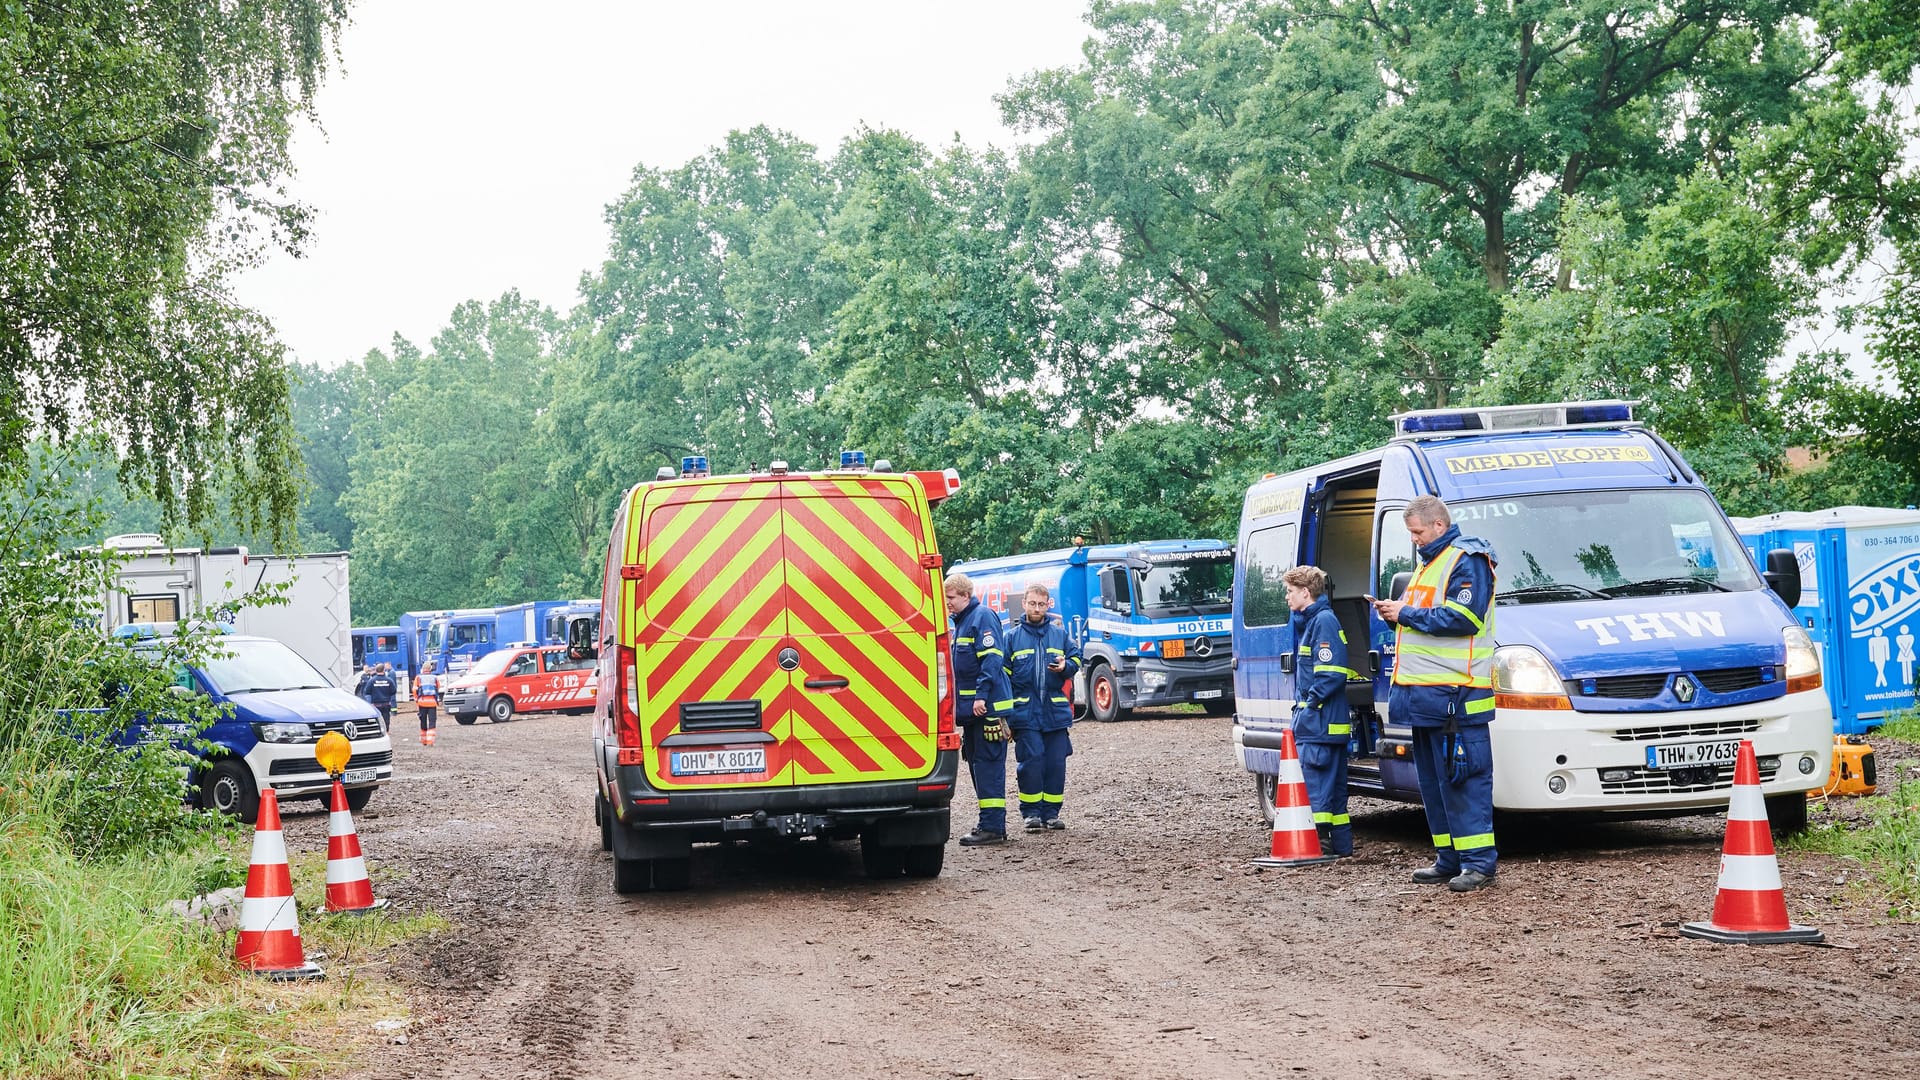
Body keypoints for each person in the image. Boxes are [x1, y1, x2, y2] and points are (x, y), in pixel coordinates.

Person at [1371, 495, 1498, 892]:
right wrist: (1395, 614)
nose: (1414, 540)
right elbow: (1425, 624)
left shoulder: (1467, 559)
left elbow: (1464, 618)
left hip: (1456, 698)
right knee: (1434, 784)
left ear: (1438, 526)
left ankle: (1479, 864)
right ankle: (1449, 859)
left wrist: (1404, 613)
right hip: (1426, 698)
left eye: (1418, 532)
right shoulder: (1428, 565)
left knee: (1464, 781)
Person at [1283, 565, 1356, 857]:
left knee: (1317, 788)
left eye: (1290, 592)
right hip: (1323, 723)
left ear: (1305, 592)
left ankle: (1321, 845)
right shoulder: (1315, 621)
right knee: (1334, 793)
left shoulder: (1322, 622)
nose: (1287, 598)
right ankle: (1339, 847)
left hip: (1320, 724)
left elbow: (1330, 674)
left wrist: (1310, 705)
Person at [1003, 583, 1082, 831]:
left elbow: (1077, 657)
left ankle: (1051, 813)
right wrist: (1004, 715)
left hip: (1055, 712)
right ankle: (1031, 814)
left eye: (1041, 604)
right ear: (1024, 604)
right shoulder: (1012, 638)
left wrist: (1066, 666)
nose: (1037, 608)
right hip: (1025, 713)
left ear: (1048, 605)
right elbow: (1003, 677)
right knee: (1031, 762)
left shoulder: (1059, 635)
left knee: (1056, 764)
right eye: (1032, 603)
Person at [945, 572, 1015, 846]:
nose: (947, 602)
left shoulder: (982, 617)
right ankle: (989, 823)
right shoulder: (962, 622)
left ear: (965, 595)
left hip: (988, 709)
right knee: (978, 764)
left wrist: (980, 697)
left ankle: (993, 828)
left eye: (951, 597)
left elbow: (991, 661)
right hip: (975, 713)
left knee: (988, 766)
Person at [413, 660, 440, 747]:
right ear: (430, 669)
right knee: (432, 721)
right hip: (432, 703)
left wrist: (417, 700)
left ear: (423, 669)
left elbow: (414, 690)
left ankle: (424, 741)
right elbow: (438, 688)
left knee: (423, 721)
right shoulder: (435, 678)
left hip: (422, 702)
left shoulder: (418, 678)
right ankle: (430, 741)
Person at [366, 662, 397, 731]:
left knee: (377, 719)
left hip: (376, 704)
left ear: (376, 670)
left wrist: (370, 702)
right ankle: (386, 731)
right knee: (386, 718)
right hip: (386, 704)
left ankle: (378, 731)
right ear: (384, 670)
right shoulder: (389, 680)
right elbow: (393, 691)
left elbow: (367, 692)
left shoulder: (372, 680)